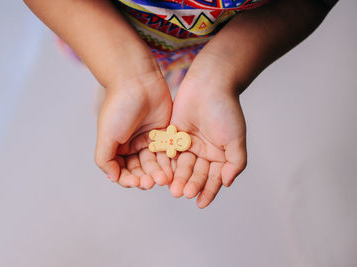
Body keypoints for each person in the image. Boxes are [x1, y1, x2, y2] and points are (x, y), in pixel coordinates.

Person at [24, 0, 337, 208]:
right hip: (102, 27)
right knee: (120, 82)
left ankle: (148, 85)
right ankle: (124, 83)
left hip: (203, 45)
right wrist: (119, 69)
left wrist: (222, 69)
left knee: (173, 79)